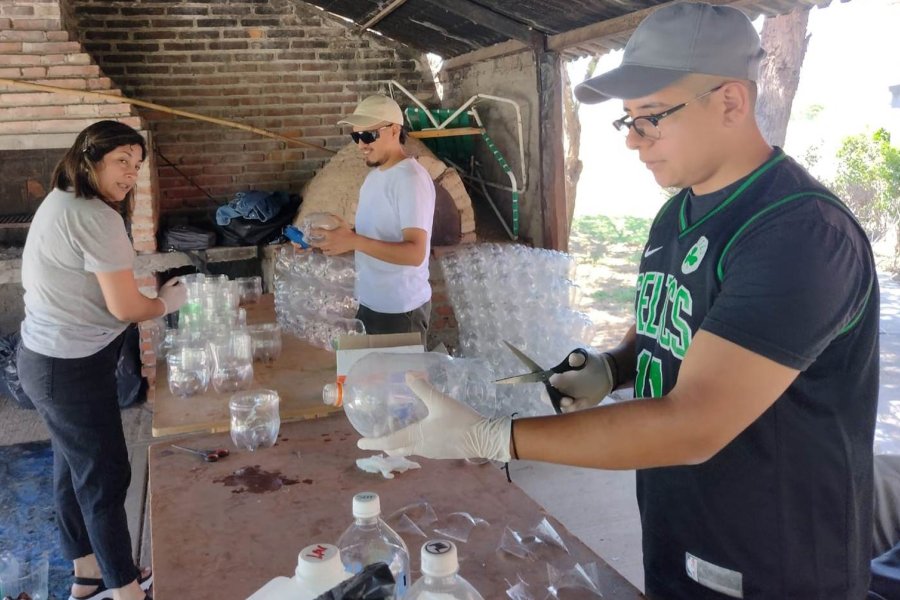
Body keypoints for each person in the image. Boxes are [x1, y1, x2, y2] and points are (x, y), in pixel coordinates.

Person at [358, 4, 880, 598]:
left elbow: (695, 424)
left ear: (731, 102)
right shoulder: (676, 214)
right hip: (680, 529)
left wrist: (494, 436)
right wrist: (614, 365)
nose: (633, 142)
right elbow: (670, 330)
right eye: (627, 121)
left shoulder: (799, 234)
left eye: (651, 119)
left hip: (778, 562)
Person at [16, 120, 187, 600]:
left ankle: (88, 576)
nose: (130, 173)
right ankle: (127, 591)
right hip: (69, 368)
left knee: (74, 470)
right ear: (89, 157)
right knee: (106, 476)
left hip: (48, 361)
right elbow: (128, 308)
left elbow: (101, 281)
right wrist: (167, 305)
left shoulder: (62, 199)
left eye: (136, 165)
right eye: (121, 162)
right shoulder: (95, 214)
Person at [308, 94, 436, 341]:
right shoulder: (375, 177)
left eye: (369, 136)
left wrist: (354, 241)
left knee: (397, 381)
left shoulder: (410, 179)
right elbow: (372, 237)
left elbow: (415, 253)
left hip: (400, 309)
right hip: (371, 302)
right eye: (356, 136)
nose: (361, 145)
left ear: (394, 130)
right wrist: (322, 241)